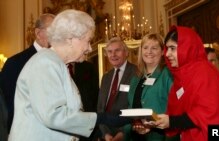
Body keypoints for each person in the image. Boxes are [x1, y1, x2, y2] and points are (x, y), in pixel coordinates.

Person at [8, 9, 131, 141]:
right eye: (88, 41)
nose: (90, 48)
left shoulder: (57, 64)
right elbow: (54, 115)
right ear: (70, 39)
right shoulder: (45, 63)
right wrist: (101, 118)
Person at [140, 26, 219, 141]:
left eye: (172, 48)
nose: (167, 54)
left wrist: (171, 121)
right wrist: (155, 123)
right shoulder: (182, 74)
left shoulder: (204, 71)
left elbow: (207, 113)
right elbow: (180, 113)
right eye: (167, 48)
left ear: (187, 47)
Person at [0, 13, 55, 132]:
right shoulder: (15, 63)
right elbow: (8, 105)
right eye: (52, 31)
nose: (56, 36)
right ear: (38, 33)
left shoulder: (60, 62)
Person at [123, 33, 179, 141]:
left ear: (163, 51)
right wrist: (135, 124)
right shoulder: (136, 77)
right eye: (145, 48)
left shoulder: (168, 74)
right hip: (135, 136)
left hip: (160, 136)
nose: (149, 52)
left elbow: (176, 107)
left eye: (154, 48)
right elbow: (131, 107)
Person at [97, 37, 137, 141]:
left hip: (127, 133)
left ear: (126, 52)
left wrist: (123, 133)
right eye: (110, 51)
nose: (113, 55)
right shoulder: (106, 77)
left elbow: (136, 107)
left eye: (117, 50)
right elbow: (100, 108)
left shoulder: (137, 73)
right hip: (106, 135)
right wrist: (105, 134)